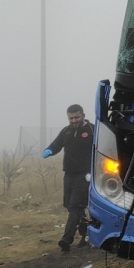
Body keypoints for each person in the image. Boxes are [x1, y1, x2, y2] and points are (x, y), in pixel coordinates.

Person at [41, 104, 94, 252]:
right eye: (71, 118)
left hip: (85, 174)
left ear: (83, 115)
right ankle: (86, 234)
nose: (74, 121)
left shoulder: (92, 130)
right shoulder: (66, 131)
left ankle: (66, 239)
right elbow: (56, 145)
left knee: (76, 206)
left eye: (77, 117)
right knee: (70, 206)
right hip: (69, 174)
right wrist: (49, 150)